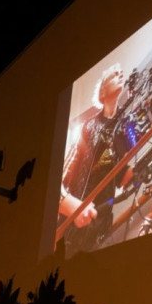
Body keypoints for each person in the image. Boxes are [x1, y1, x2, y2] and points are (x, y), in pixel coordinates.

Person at [59, 64, 130, 253]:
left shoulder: (123, 127)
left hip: (101, 219)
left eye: (121, 73)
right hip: (75, 216)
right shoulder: (88, 126)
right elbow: (67, 170)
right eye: (115, 74)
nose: (120, 75)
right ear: (102, 91)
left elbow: (122, 175)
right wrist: (68, 205)